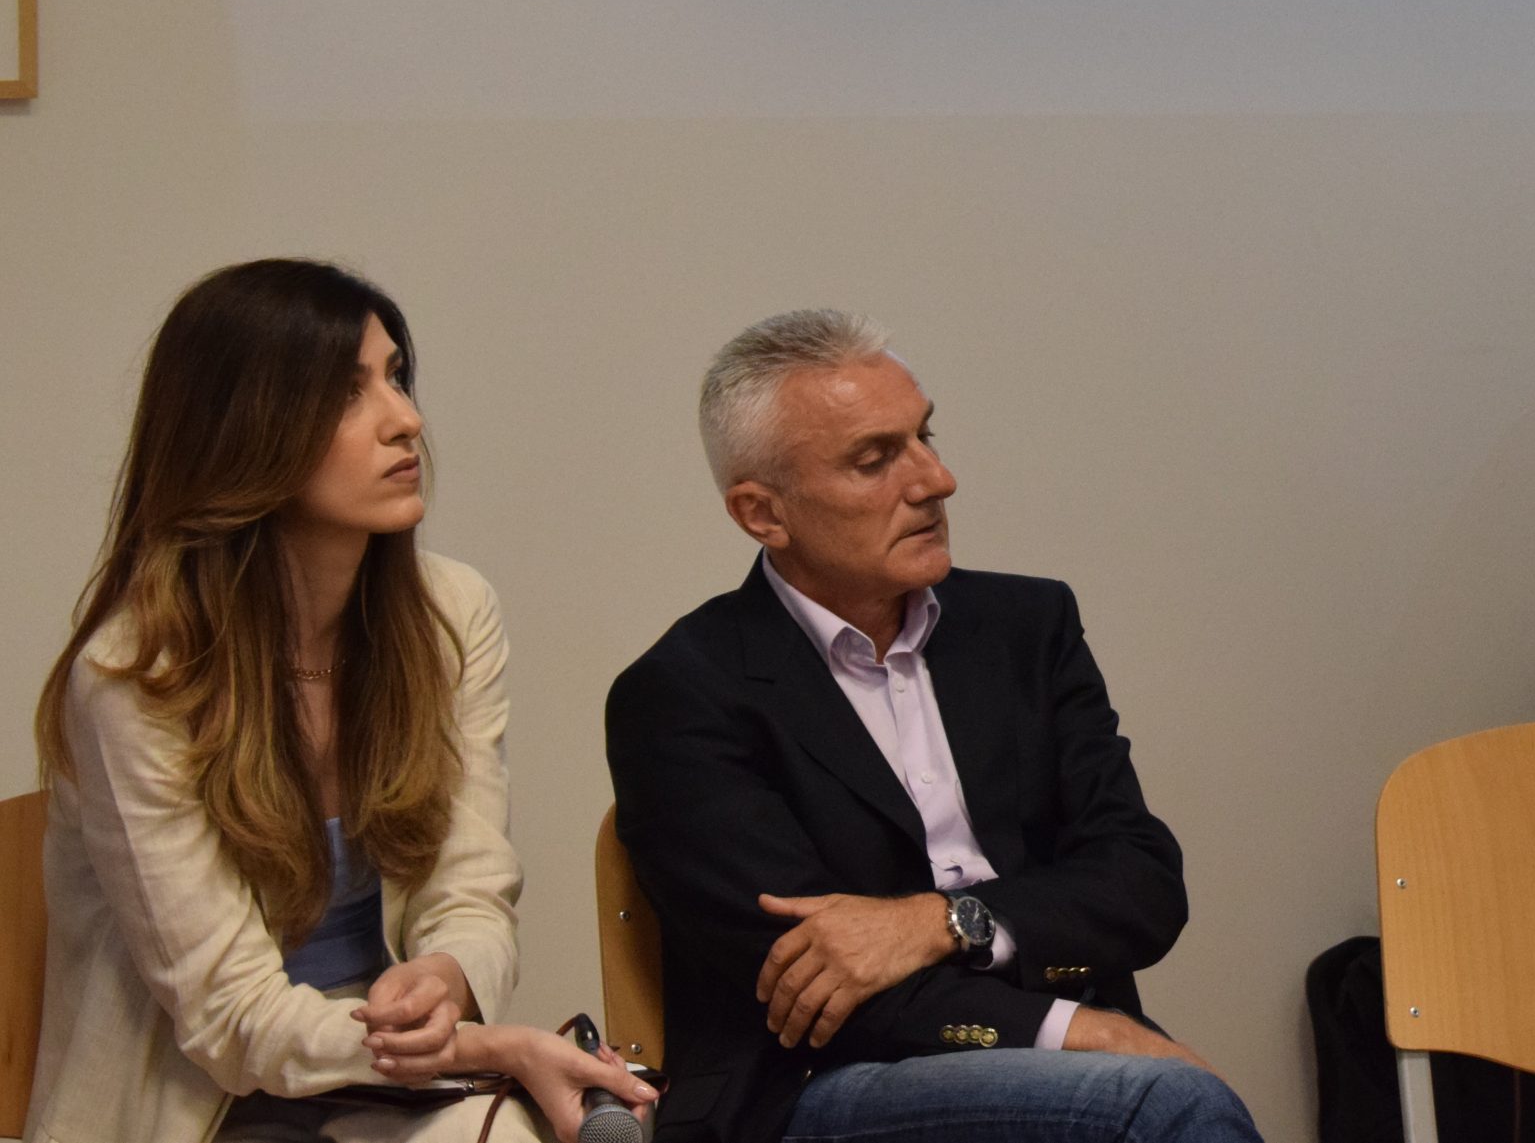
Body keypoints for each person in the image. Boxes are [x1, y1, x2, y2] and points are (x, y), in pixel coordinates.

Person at [27, 259, 659, 1142]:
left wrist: (447, 974)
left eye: (397, 376)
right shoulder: (138, 673)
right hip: (204, 1103)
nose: (407, 419)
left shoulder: (451, 614)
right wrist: (494, 1045)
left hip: (388, 1085)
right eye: (347, 392)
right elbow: (230, 1020)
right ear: (243, 431)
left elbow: (473, 886)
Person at [606, 310, 1261, 1143]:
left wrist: (941, 921)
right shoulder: (683, 693)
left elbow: (1141, 881)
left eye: (925, 436)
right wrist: (1081, 1031)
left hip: (1065, 1060)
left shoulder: (1027, 627)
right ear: (762, 512)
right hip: (822, 1084)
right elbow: (808, 982)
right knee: (1171, 1105)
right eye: (875, 459)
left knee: (1165, 1103)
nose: (936, 479)